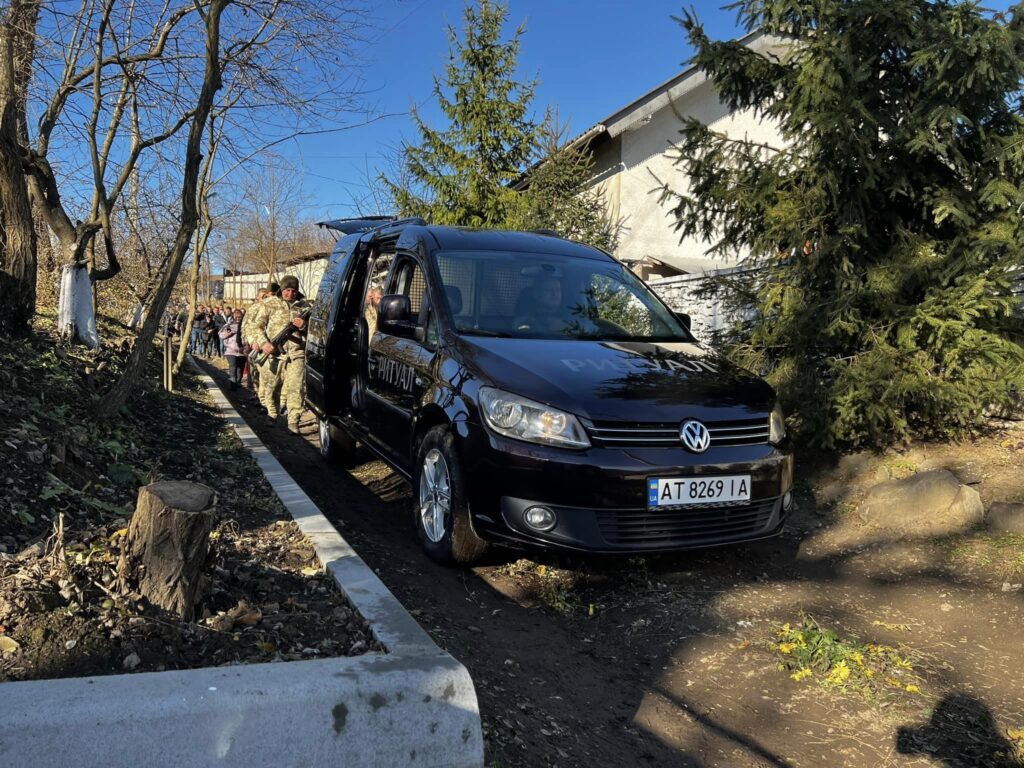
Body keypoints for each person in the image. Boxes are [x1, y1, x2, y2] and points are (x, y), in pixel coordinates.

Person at [247, 279, 311, 429]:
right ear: (281, 290)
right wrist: (264, 343)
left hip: (296, 353)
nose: (290, 293)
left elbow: (315, 331)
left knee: (296, 388)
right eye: (287, 290)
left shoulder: (304, 306)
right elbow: (255, 327)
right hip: (275, 353)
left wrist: (304, 326)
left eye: (294, 291)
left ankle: (293, 421)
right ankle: (272, 414)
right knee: (273, 386)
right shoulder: (269, 304)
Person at [219, 308, 248, 390]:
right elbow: (221, 335)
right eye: (236, 317)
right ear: (233, 317)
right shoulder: (229, 325)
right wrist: (228, 333)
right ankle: (233, 382)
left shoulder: (245, 326)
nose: (238, 319)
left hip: (242, 350)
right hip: (231, 350)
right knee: (233, 366)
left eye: (239, 317)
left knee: (240, 368)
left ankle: (238, 381)